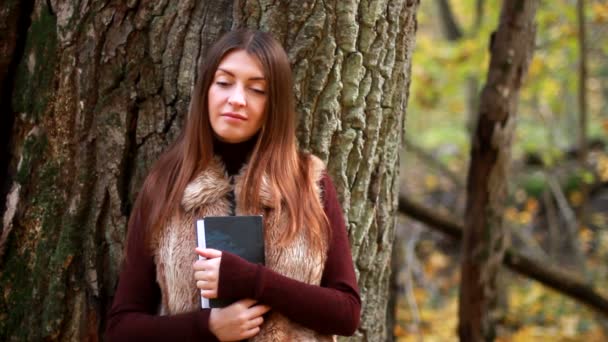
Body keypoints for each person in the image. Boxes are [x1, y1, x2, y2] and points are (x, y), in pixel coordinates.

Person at [105, 29, 361, 341]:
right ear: (206, 92)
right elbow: (121, 329)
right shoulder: (165, 186)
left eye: (257, 90)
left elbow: (346, 314)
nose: (237, 100)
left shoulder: (309, 183)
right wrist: (207, 326)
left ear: (273, 105)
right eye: (224, 83)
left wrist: (254, 281)